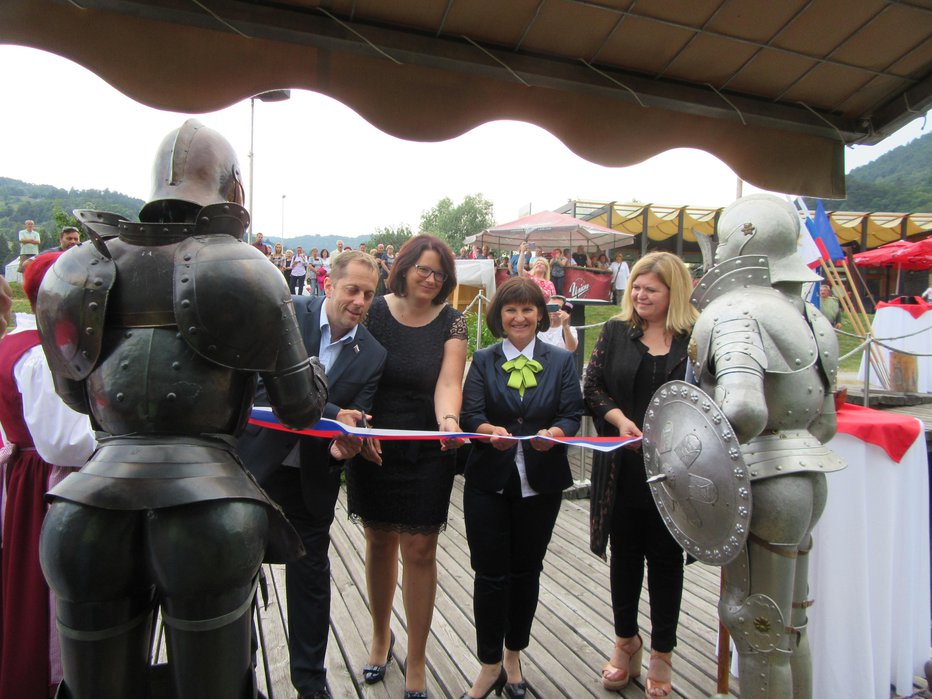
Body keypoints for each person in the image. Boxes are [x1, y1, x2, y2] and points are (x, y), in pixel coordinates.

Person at [36, 119, 328, 699]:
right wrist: (314, 371)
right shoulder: (245, 269)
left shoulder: (77, 268)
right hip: (209, 509)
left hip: (86, 509)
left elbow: (73, 396)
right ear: (232, 188)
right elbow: (298, 408)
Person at [689, 194, 844, 699]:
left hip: (764, 484)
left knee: (755, 625)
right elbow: (825, 422)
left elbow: (743, 409)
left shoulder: (734, 309)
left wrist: (688, 458)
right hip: (807, 480)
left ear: (741, 239)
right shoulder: (812, 318)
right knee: (789, 624)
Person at [239, 250, 386, 699]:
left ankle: (310, 683)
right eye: (352, 290)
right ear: (328, 284)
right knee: (236, 579)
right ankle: (235, 678)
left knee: (311, 584)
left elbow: (353, 419)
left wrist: (346, 445)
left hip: (312, 479)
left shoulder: (373, 354)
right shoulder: (285, 317)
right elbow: (263, 387)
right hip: (254, 469)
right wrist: (331, 411)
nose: (360, 301)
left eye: (369, 293)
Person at [346, 233, 467, 699]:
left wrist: (449, 421)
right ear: (405, 267)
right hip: (374, 438)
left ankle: (416, 658)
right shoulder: (374, 312)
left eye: (440, 273)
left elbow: (449, 381)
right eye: (424, 269)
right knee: (378, 540)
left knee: (420, 550)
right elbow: (355, 372)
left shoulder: (453, 323)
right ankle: (381, 636)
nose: (432, 279)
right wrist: (358, 427)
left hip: (428, 445)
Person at [458, 276, 584, 699]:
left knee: (526, 572)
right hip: (488, 482)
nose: (520, 317)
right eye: (511, 309)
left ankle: (514, 656)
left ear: (540, 315)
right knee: (489, 574)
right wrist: (483, 429)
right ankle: (489, 663)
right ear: (499, 316)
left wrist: (558, 432)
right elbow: (469, 413)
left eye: (528, 309)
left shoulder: (561, 361)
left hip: (541, 483)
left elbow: (572, 413)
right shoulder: (482, 359)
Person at [584, 251, 699, 697]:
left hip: (677, 475)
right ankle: (625, 641)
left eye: (651, 288)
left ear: (674, 292)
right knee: (625, 557)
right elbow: (592, 387)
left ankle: (662, 654)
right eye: (636, 286)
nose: (639, 294)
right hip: (624, 468)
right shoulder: (615, 332)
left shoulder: (695, 338)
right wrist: (617, 419)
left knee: (667, 563)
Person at [0, 253, 97, 699]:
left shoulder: (29, 344)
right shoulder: (42, 355)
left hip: (37, 477)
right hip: (50, 482)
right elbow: (63, 442)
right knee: (48, 595)